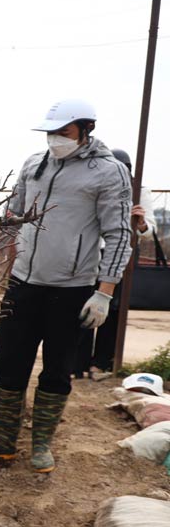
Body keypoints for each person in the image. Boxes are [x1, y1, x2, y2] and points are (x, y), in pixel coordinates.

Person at [0, 98, 132, 473]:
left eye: (64, 133)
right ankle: (2, 441)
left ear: (86, 130)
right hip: (24, 283)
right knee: (8, 364)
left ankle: (41, 445)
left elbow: (119, 234)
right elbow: (10, 217)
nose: (56, 139)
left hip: (72, 289)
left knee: (57, 370)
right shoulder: (34, 164)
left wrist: (104, 293)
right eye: (51, 133)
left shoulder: (107, 172)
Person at [74, 148, 158, 379]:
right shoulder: (95, 185)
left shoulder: (139, 191)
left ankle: (100, 363)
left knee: (111, 310)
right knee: (82, 304)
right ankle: (76, 364)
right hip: (90, 254)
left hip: (120, 256)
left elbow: (149, 230)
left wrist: (140, 224)